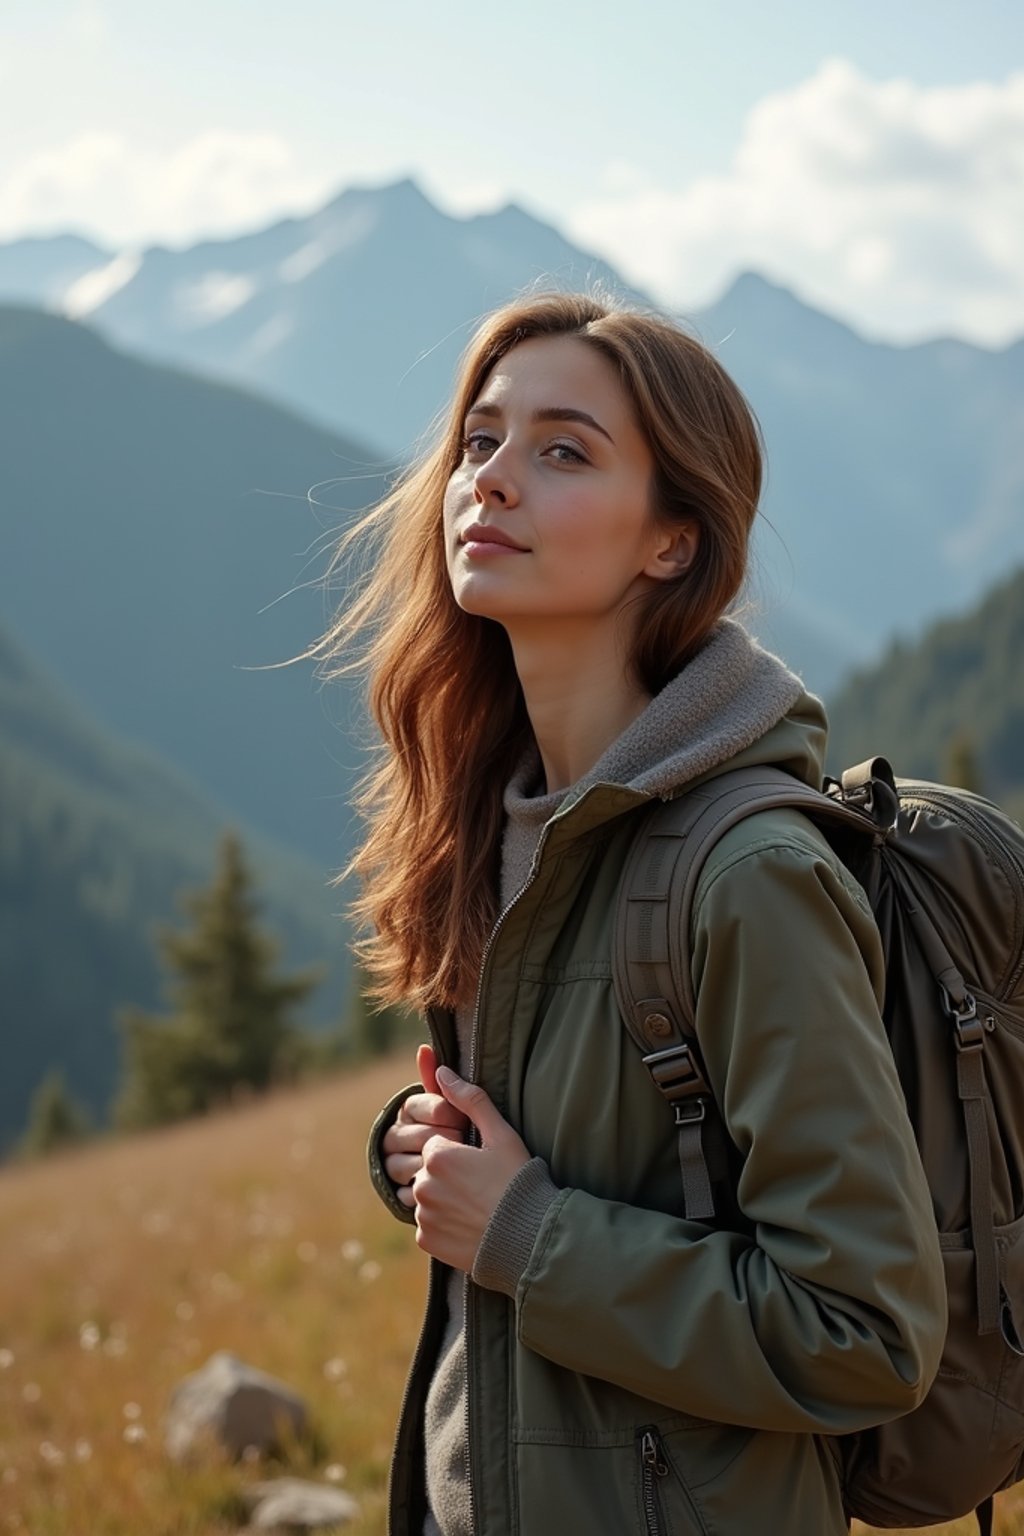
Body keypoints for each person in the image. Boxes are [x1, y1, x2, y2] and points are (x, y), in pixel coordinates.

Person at [321, 292, 947, 1536]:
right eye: (480, 440)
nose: (491, 481)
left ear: (671, 541)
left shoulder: (748, 875)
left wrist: (524, 1236)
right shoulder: (500, 827)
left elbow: (863, 1335)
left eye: (563, 450)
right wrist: (424, 1155)